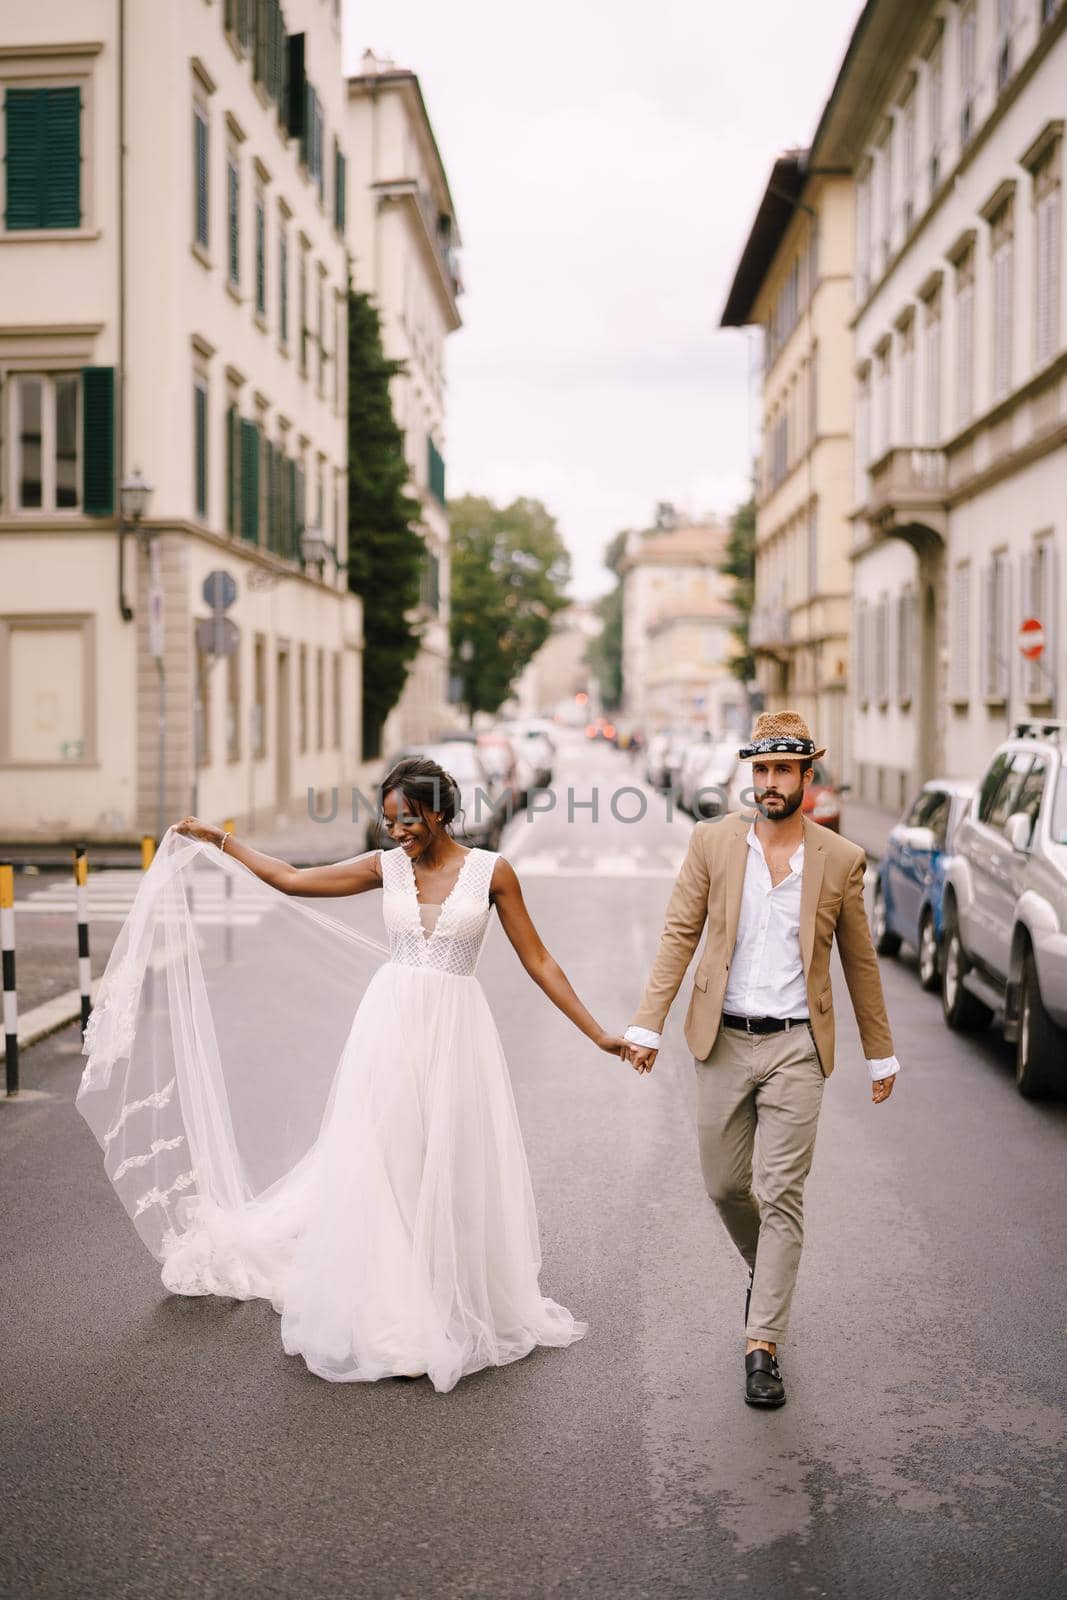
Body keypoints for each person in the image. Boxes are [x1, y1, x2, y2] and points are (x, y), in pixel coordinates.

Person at [78, 756, 629, 1393]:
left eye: (410, 819)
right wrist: (221, 840)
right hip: (390, 1029)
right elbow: (289, 879)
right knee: (388, 1162)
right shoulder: (383, 868)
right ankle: (395, 1315)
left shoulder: (491, 873)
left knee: (446, 1161)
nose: (398, 831)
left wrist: (598, 1033)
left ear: (441, 812)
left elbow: (540, 960)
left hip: (457, 1033)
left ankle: (454, 1294)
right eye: (390, 819)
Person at [621, 711, 899, 1409]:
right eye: (761, 770)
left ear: (808, 777)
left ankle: (761, 1345)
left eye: (783, 771)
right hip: (721, 1038)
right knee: (722, 1185)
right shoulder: (713, 843)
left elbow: (859, 962)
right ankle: (767, 1273)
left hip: (796, 1046)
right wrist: (647, 1024)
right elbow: (679, 933)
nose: (769, 783)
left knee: (782, 1195)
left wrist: (879, 1051)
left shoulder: (838, 858)